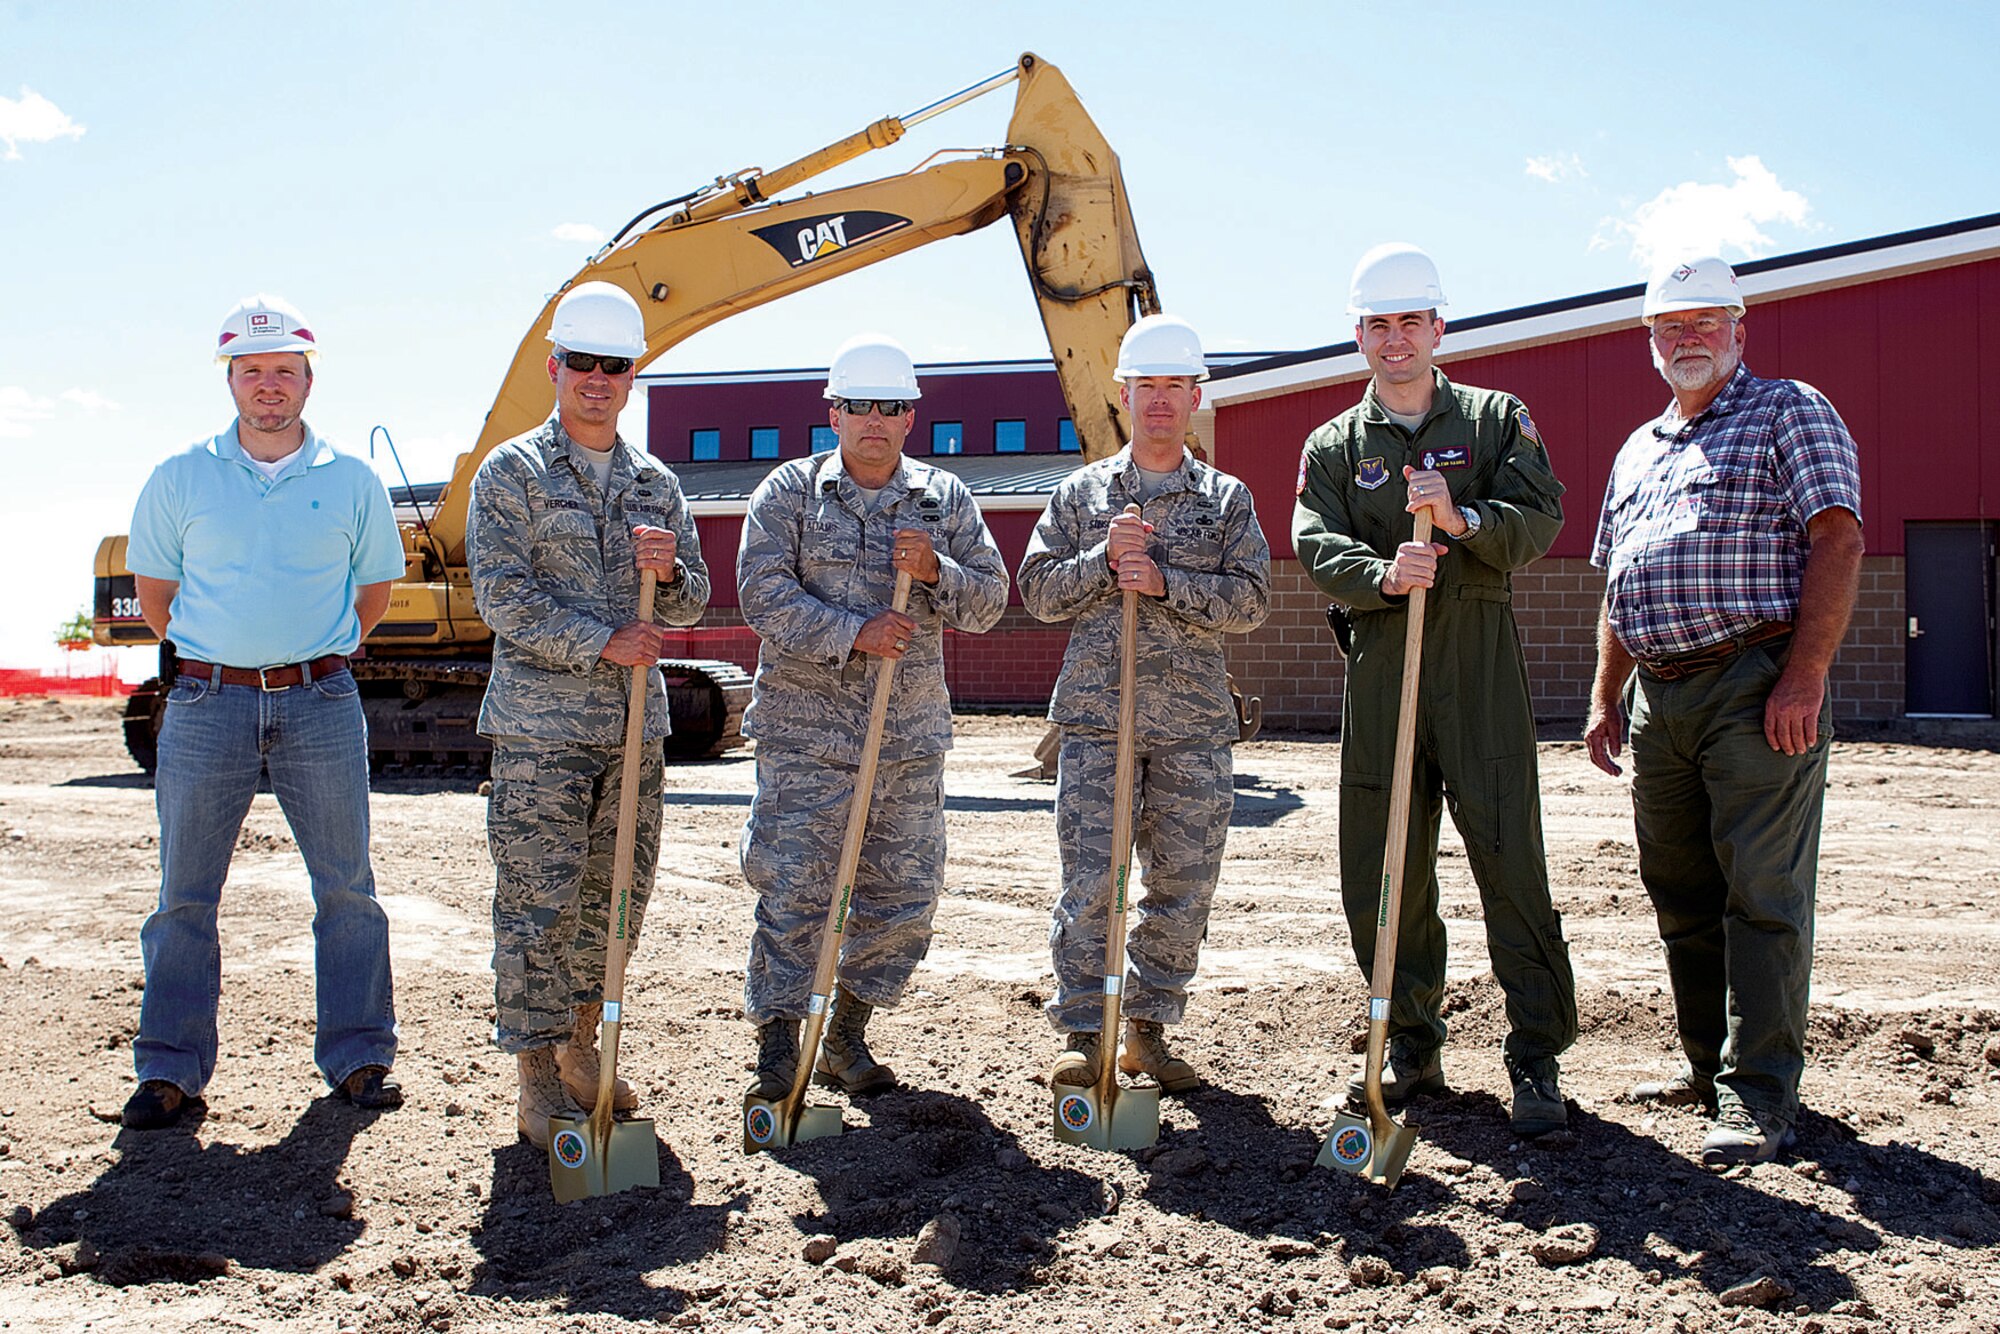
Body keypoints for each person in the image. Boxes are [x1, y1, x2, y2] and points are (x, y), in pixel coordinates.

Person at [1585, 255, 1864, 1166]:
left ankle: (1761, 1096)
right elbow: (1617, 583)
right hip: (1658, 696)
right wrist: (1604, 697)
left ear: (1741, 330)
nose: (1689, 339)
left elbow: (1838, 537)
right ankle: (1708, 1070)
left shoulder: (1790, 409)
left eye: (1708, 322)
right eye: (1673, 326)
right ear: (1650, 341)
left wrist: (1803, 677)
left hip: (1754, 684)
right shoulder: (1637, 448)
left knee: (1763, 895)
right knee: (1682, 894)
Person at [1293, 244, 1577, 1136]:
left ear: (1438, 327)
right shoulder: (1335, 444)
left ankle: (1537, 1055)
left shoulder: (1496, 419)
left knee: (1507, 853)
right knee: (1383, 867)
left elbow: (1544, 516)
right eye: (1379, 325)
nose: (1395, 339)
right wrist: (1382, 573)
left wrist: (1463, 520)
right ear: (1359, 336)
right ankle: (1409, 1042)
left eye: (1411, 321)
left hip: (1477, 658)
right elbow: (1311, 538)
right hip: (1384, 660)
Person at [121, 294, 406, 1129]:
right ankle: (170, 1070)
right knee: (185, 895)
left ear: (308, 380)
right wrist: (227, 659)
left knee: (347, 889)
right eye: (252, 371)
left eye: (284, 369)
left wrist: (307, 656)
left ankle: (358, 1057)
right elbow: (157, 597)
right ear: (231, 381)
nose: (268, 385)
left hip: (320, 702)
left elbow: (376, 593)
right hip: (208, 704)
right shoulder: (180, 478)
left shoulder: (352, 481)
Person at [468, 281, 711, 1148]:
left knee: (617, 902)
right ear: (555, 367)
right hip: (543, 733)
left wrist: (673, 573)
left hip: (634, 733)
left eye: (615, 366)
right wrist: (601, 640)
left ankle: (581, 1051)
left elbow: (692, 604)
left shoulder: (655, 482)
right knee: (537, 904)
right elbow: (501, 595)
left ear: (632, 375)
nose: (598, 380)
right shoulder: (513, 472)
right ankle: (534, 1080)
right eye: (583, 364)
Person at [737, 333, 1008, 1100]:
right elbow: (761, 593)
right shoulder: (787, 493)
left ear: (911, 416)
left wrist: (934, 571)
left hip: (906, 740)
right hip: (805, 738)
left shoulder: (942, 500)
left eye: (891, 407)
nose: (875, 422)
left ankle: (846, 1034)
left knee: (903, 896)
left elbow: (989, 603)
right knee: (793, 892)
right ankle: (779, 1047)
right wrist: (851, 631)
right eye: (860, 406)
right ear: (834, 413)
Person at [1019, 314, 1271, 1094]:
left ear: (1195, 396)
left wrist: (1169, 585)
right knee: (1092, 881)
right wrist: (1103, 561)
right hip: (1098, 722)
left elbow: (1254, 602)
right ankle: (1085, 1033)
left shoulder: (1227, 499)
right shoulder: (1080, 494)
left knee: (1183, 883)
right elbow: (1035, 591)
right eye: (1145, 387)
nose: (1159, 401)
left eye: (1174, 386)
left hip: (1193, 726)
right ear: (1123, 394)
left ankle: (1149, 1032)